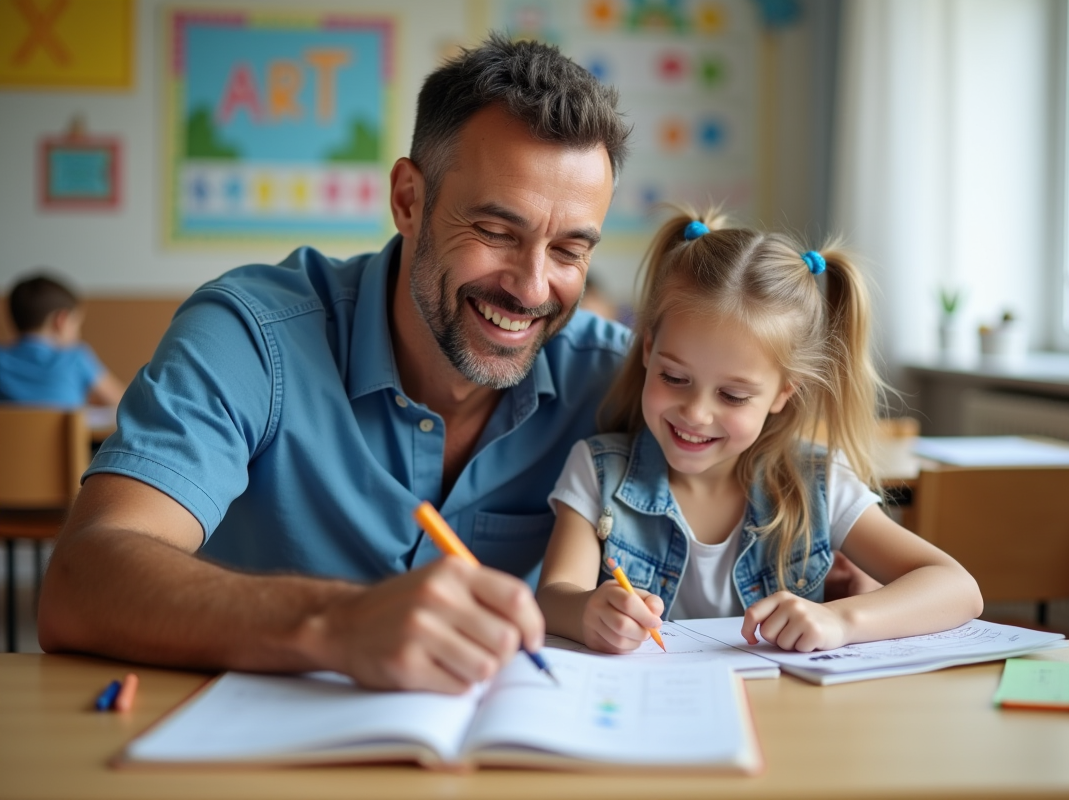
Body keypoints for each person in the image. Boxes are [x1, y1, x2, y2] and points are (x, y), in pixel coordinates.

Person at [38, 34, 632, 694]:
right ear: (409, 200)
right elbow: (80, 581)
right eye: (496, 232)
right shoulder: (252, 336)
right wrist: (336, 624)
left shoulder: (619, 383)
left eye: (570, 251)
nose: (530, 287)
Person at [536, 209, 983, 654]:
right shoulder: (598, 470)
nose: (696, 413)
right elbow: (555, 595)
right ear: (649, 349)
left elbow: (958, 588)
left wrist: (842, 620)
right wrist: (588, 611)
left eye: (732, 396)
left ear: (782, 394)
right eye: (675, 378)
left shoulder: (818, 482)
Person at [0, 273, 125, 407]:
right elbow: (122, 401)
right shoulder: (76, 357)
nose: (79, 332)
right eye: (76, 324)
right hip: (66, 428)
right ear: (61, 320)